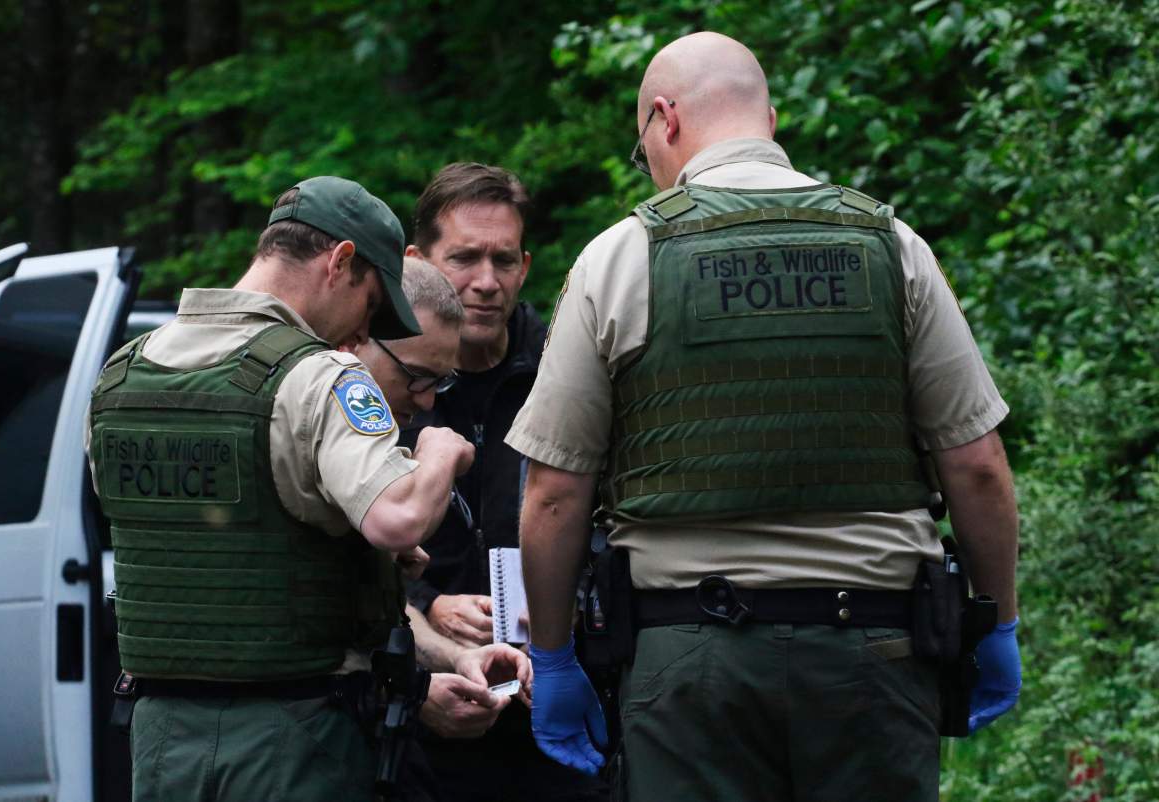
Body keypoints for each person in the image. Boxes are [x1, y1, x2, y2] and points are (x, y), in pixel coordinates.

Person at [508, 32, 1022, 802]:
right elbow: (977, 463)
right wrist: (999, 623)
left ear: (665, 119)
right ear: (769, 118)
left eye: (642, 138)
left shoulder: (618, 258)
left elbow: (553, 493)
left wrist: (552, 660)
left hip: (688, 664)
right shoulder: (892, 246)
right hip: (874, 655)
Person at [86, 176, 483, 802]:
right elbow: (399, 518)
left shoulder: (122, 374)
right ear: (341, 263)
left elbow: (190, 531)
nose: (360, 334)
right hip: (290, 737)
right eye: (373, 306)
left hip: (157, 736)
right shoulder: (319, 376)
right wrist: (436, 453)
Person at [398, 163, 607, 801]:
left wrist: (566, 613)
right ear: (418, 261)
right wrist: (430, 601)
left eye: (504, 260)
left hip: (558, 704)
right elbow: (349, 545)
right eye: (464, 258)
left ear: (526, 266)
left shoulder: (568, 367)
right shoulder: (378, 379)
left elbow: (618, 517)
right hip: (431, 714)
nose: (486, 283)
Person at [340, 255, 533, 741]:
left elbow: (377, 596)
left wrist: (453, 661)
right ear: (357, 340)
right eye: (418, 377)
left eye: (441, 382)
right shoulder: (327, 416)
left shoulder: (545, 363)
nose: (427, 401)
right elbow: (400, 524)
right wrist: (440, 453)